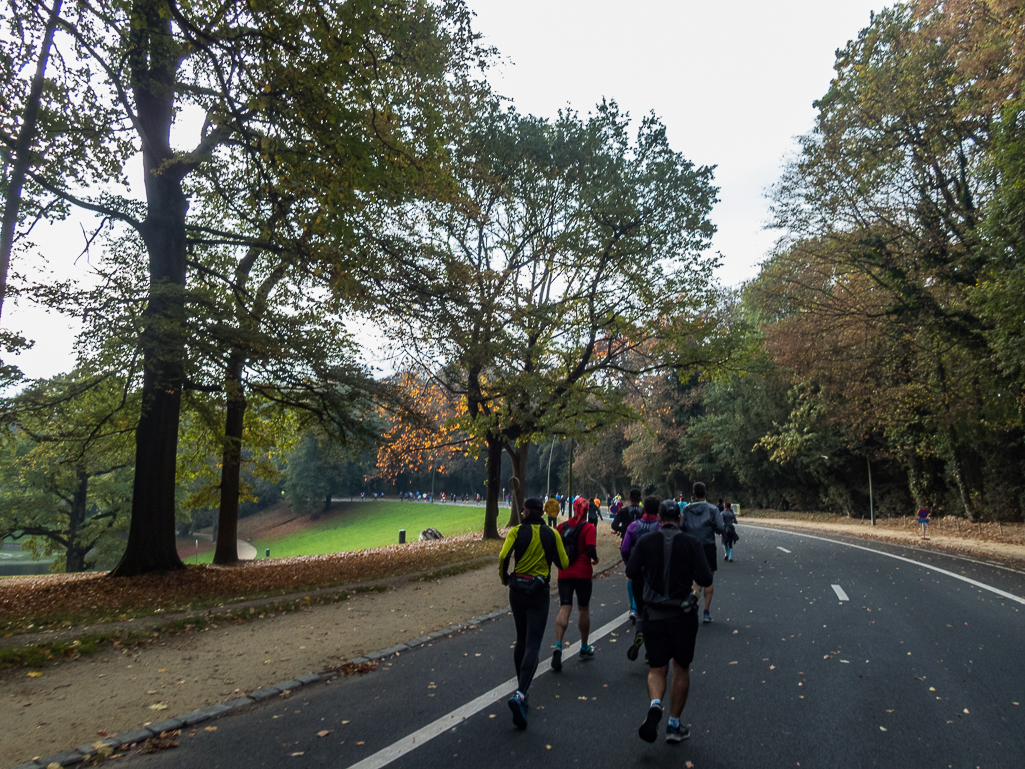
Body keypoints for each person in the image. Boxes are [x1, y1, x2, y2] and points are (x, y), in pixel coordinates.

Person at [626, 498, 712, 744]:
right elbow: (705, 577)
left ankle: (655, 704)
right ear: (680, 519)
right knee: (681, 667)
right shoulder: (691, 542)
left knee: (656, 667)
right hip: (683, 615)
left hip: (654, 613)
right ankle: (674, 724)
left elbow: (631, 572)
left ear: (659, 518)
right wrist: (692, 590)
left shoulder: (646, 541)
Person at [499, 497, 569, 730]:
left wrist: (505, 577)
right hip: (538, 591)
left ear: (526, 511)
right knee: (534, 643)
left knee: (521, 638)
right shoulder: (552, 534)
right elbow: (564, 564)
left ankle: (522, 690)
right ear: (542, 512)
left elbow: (503, 557)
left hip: (517, 589)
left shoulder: (516, 531)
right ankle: (521, 694)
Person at [552, 497, 599, 670]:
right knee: (583, 608)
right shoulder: (589, 527)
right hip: (583, 574)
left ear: (573, 509)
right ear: (586, 511)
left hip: (564, 573)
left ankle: (557, 645)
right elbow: (590, 548)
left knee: (565, 607)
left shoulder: (560, 527)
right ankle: (584, 646)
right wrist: (595, 558)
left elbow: (554, 548)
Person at [681, 482, 724, 624]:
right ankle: (706, 612)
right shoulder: (712, 509)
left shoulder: (686, 510)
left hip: (692, 546)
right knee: (709, 578)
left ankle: (692, 603)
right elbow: (719, 528)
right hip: (708, 546)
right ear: (705, 492)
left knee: (695, 579)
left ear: (693, 493)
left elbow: (681, 527)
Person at [621, 496, 663, 642]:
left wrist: (630, 563)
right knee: (654, 607)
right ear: (658, 510)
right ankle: (651, 645)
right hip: (654, 573)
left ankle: (640, 630)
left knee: (639, 607)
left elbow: (625, 548)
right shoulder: (660, 528)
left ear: (643, 509)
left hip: (637, 572)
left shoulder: (633, 526)